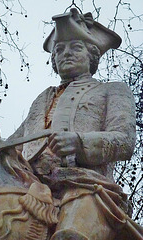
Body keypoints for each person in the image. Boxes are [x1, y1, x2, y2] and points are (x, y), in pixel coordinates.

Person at [10, 8, 143, 240]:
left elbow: (125, 141)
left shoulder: (113, 90)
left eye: (76, 47)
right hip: (29, 186)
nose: (66, 54)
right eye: (59, 50)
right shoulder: (41, 98)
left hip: (85, 187)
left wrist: (79, 143)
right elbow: (12, 146)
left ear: (92, 56)